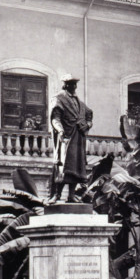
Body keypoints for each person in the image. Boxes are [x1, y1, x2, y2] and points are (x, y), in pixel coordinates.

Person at [50, 73, 93, 203]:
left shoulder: (80, 103)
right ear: (65, 85)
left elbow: (89, 115)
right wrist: (60, 129)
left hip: (79, 138)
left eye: (75, 83)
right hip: (67, 137)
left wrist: (87, 125)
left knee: (77, 167)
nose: (74, 86)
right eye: (71, 83)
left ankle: (71, 195)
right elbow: (55, 118)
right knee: (64, 166)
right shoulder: (59, 98)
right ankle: (56, 195)